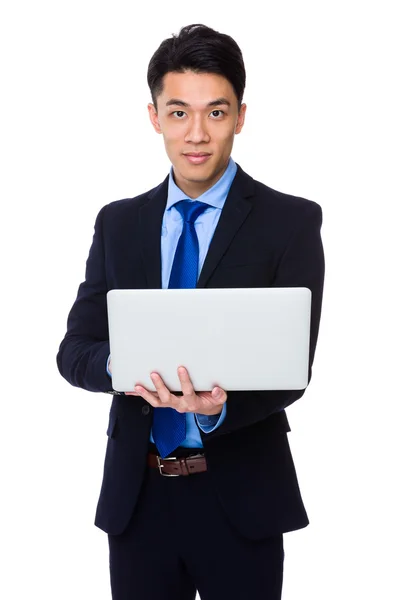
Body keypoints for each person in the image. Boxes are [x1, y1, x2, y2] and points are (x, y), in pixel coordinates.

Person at [56, 23, 325, 600]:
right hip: (139, 500)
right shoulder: (119, 223)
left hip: (241, 500)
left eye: (216, 112)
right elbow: (74, 351)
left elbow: (292, 369)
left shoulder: (290, 222)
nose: (196, 134)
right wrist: (125, 366)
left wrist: (213, 412)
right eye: (178, 113)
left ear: (241, 116)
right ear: (154, 117)